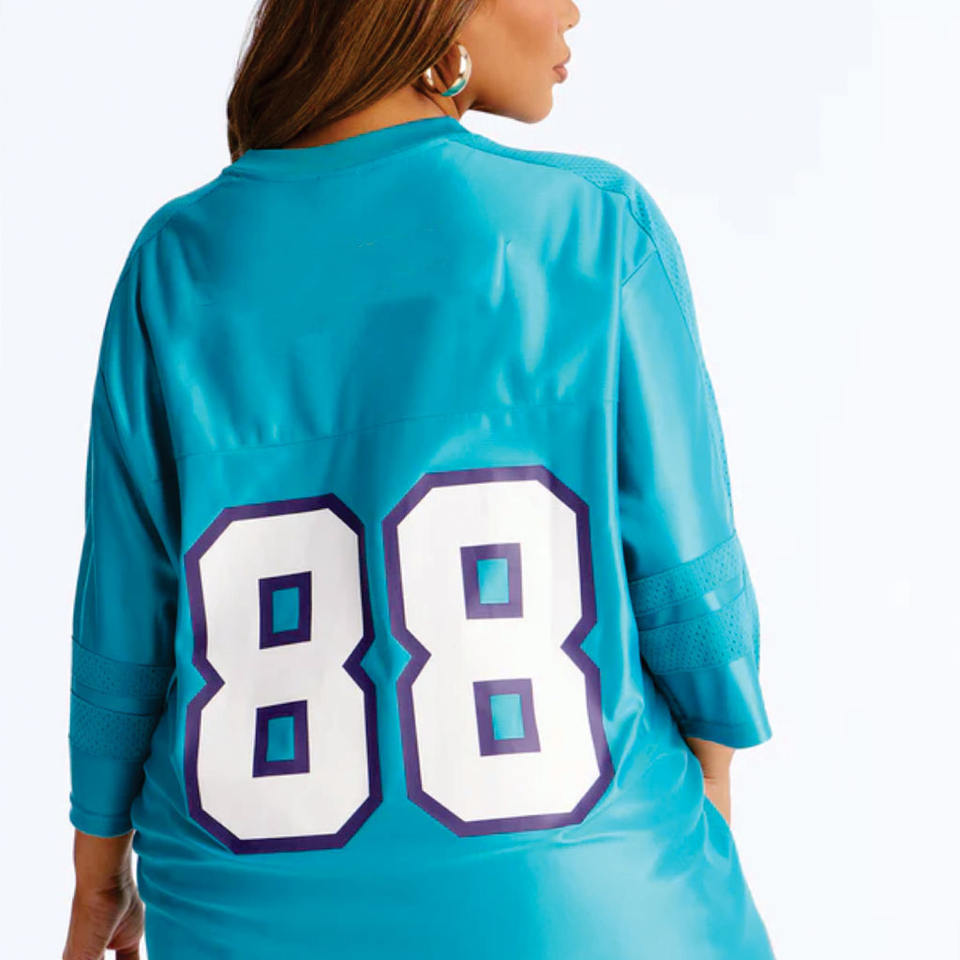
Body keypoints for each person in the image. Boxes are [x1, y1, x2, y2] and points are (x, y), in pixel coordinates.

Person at [62, 1, 776, 957]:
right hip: (588, 905)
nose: (573, 10)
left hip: (245, 916)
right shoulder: (592, 225)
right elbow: (689, 587)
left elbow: (124, 624)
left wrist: (98, 872)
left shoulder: (174, 264)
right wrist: (716, 772)